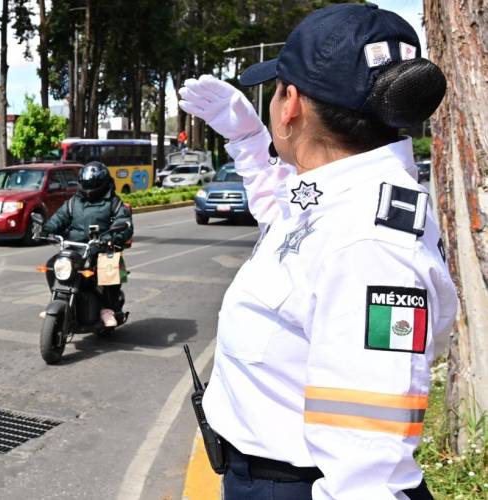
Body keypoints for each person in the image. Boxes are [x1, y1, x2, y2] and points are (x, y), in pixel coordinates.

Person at [178, 4, 456, 499]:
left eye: (277, 88)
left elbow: (369, 473)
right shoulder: (337, 200)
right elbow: (284, 216)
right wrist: (246, 138)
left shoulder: (368, 246)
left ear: (291, 106)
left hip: (295, 486)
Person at [41, 161, 133, 327]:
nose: (89, 188)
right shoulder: (73, 202)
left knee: (109, 266)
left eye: (93, 184)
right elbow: (59, 218)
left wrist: (113, 237)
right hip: (75, 247)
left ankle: (107, 308)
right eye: (86, 184)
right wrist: (46, 229)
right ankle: (57, 299)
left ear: (102, 183)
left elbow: (124, 222)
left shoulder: (113, 202)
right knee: (51, 265)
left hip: (102, 248)